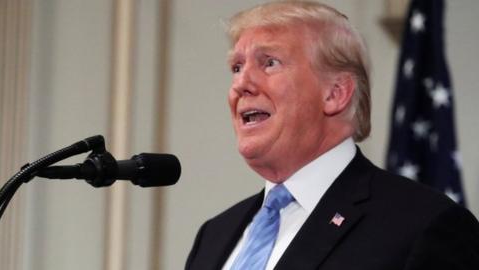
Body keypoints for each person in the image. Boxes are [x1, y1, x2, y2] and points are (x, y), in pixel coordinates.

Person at [185, 1, 479, 269]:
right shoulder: (214, 236)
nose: (241, 84)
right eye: (236, 67)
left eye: (269, 62)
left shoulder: (422, 225)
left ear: (335, 94)